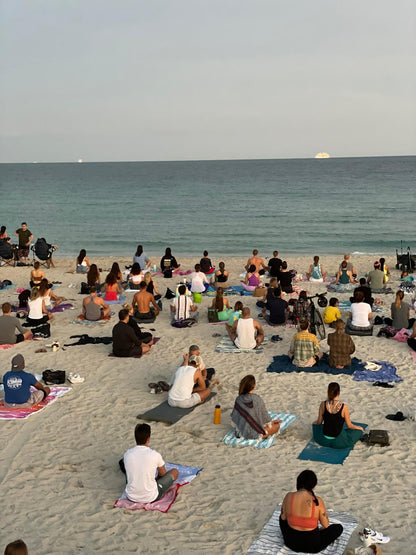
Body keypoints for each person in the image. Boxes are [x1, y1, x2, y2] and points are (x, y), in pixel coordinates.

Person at [279, 470, 343, 553]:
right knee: (338, 528)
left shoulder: (289, 496)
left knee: (282, 517)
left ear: (298, 483)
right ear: (313, 486)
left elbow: (283, 518)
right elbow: (326, 525)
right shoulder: (317, 501)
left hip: (291, 543)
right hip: (312, 547)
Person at [122, 423, 178, 504]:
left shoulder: (127, 454)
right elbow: (163, 473)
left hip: (131, 495)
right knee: (174, 472)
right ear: (148, 439)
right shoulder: (155, 455)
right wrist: (157, 478)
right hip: (151, 497)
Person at [313, 382, 364, 449]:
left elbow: (319, 422)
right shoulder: (344, 407)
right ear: (339, 392)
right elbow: (350, 425)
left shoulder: (323, 404)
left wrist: (314, 423)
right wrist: (359, 428)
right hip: (339, 442)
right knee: (358, 432)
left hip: (323, 441)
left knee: (316, 425)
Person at [231, 374, 281, 439]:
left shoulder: (238, 399)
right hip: (253, 434)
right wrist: (272, 421)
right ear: (253, 386)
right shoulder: (257, 399)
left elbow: (234, 417)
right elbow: (265, 417)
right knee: (276, 426)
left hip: (240, 433)